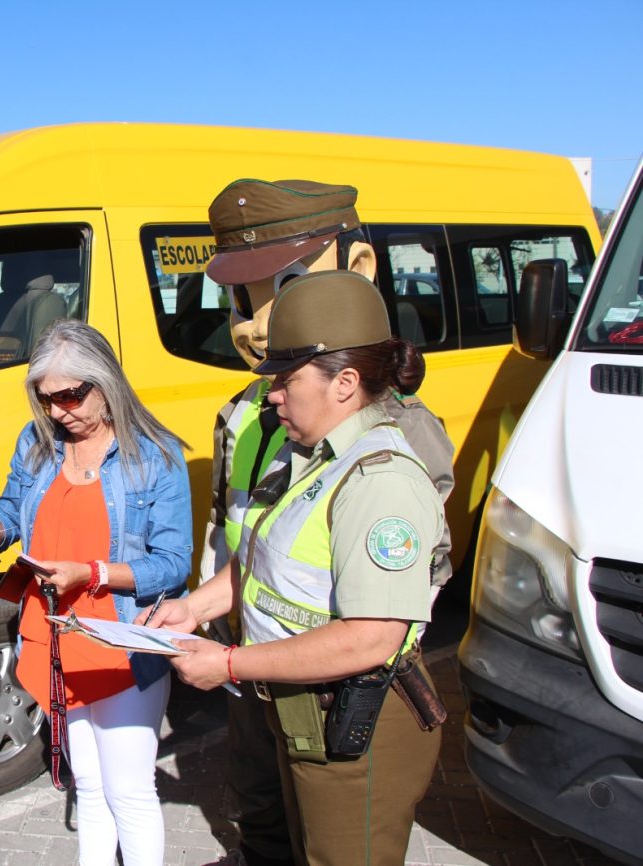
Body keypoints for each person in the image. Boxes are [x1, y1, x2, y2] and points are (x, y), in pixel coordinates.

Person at [150, 270, 446, 866]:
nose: (273, 395)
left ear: (345, 383)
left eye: (286, 381)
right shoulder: (307, 456)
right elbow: (262, 565)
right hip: (297, 704)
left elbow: (371, 636)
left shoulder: (380, 479)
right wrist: (194, 607)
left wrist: (228, 663)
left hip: (353, 719)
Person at [0, 319, 192, 866]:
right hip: (52, 635)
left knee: (129, 791)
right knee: (88, 786)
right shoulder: (37, 442)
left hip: (120, 640)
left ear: (105, 382)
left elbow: (173, 564)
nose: (57, 411)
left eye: (69, 396)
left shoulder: (155, 455)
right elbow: (14, 501)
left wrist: (91, 574)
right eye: (46, 400)